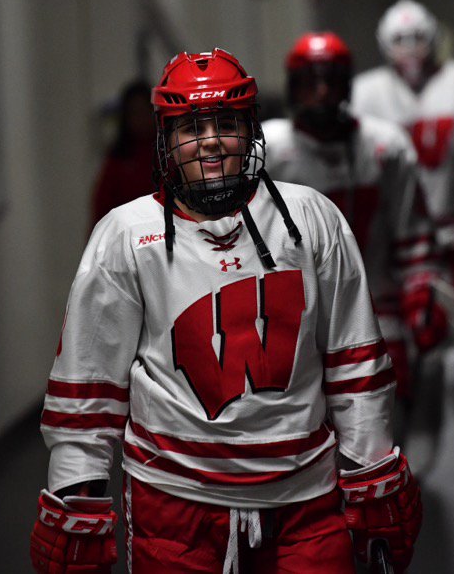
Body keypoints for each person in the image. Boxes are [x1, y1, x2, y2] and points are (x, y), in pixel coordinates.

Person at [29, 48, 422, 573]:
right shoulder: (125, 236)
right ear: (166, 139)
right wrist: (76, 492)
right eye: (191, 127)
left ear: (251, 130)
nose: (210, 140)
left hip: (306, 495)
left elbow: (353, 367)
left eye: (225, 123)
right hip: (174, 502)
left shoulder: (312, 218)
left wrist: (371, 471)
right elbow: (90, 387)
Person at [262, 32, 446, 434]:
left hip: (376, 303)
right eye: (310, 82)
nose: (322, 92)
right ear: (294, 87)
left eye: (331, 81)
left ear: (348, 85)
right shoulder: (267, 152)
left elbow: (411, 232)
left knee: (382, 420)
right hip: (290, 310)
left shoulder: (385, 146)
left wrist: (421, 289)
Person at [352, 0, 454, 469]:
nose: (412, 50)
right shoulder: (366, 94)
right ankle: (416, 448)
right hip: (404, 247)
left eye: (418, 38)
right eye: (400, 41)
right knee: (412, 356)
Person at [87, 79, 157, 237]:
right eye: (135, 113)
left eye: (146, 111)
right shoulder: (118, 158)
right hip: (128, 240)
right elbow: (101, 211)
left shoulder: (171, 152)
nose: (141, 119)